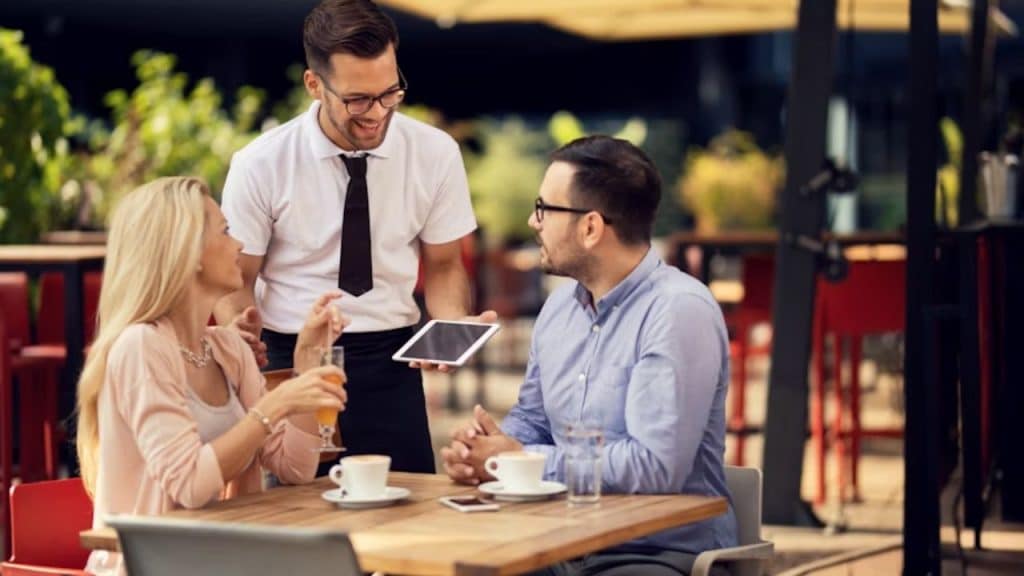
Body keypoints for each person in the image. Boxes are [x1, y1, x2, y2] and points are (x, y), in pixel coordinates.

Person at [441, 136, 738, 576]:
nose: (532, 221)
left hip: (657, 555)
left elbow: (656, 466)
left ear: (591, 227)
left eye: (543, 209)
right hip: (561, 544)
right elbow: (535, 419)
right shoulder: (560, 308)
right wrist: (484, 449)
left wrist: (517, 460)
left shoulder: (677, 311)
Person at [216, 0, 491, 475]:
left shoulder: (435, 154)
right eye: (358, 100)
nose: (377, 113)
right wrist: (244, 346)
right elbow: (237, 278)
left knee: (405, 517)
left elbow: (444, 266)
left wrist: (450, 328)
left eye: (390, 94)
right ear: (314, 85)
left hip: (392, 364)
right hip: (290, 361)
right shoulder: (260, 163)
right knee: (297, 521)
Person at [76, 177, 348, 574]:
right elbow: (188, 483)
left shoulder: (226, 348)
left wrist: (307, 358)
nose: (239, 245)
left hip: (220, 559)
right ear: (189, 252)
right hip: (148, 564)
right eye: (225, 231)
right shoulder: (140, 347)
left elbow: (295, 468)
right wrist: (277, 404)